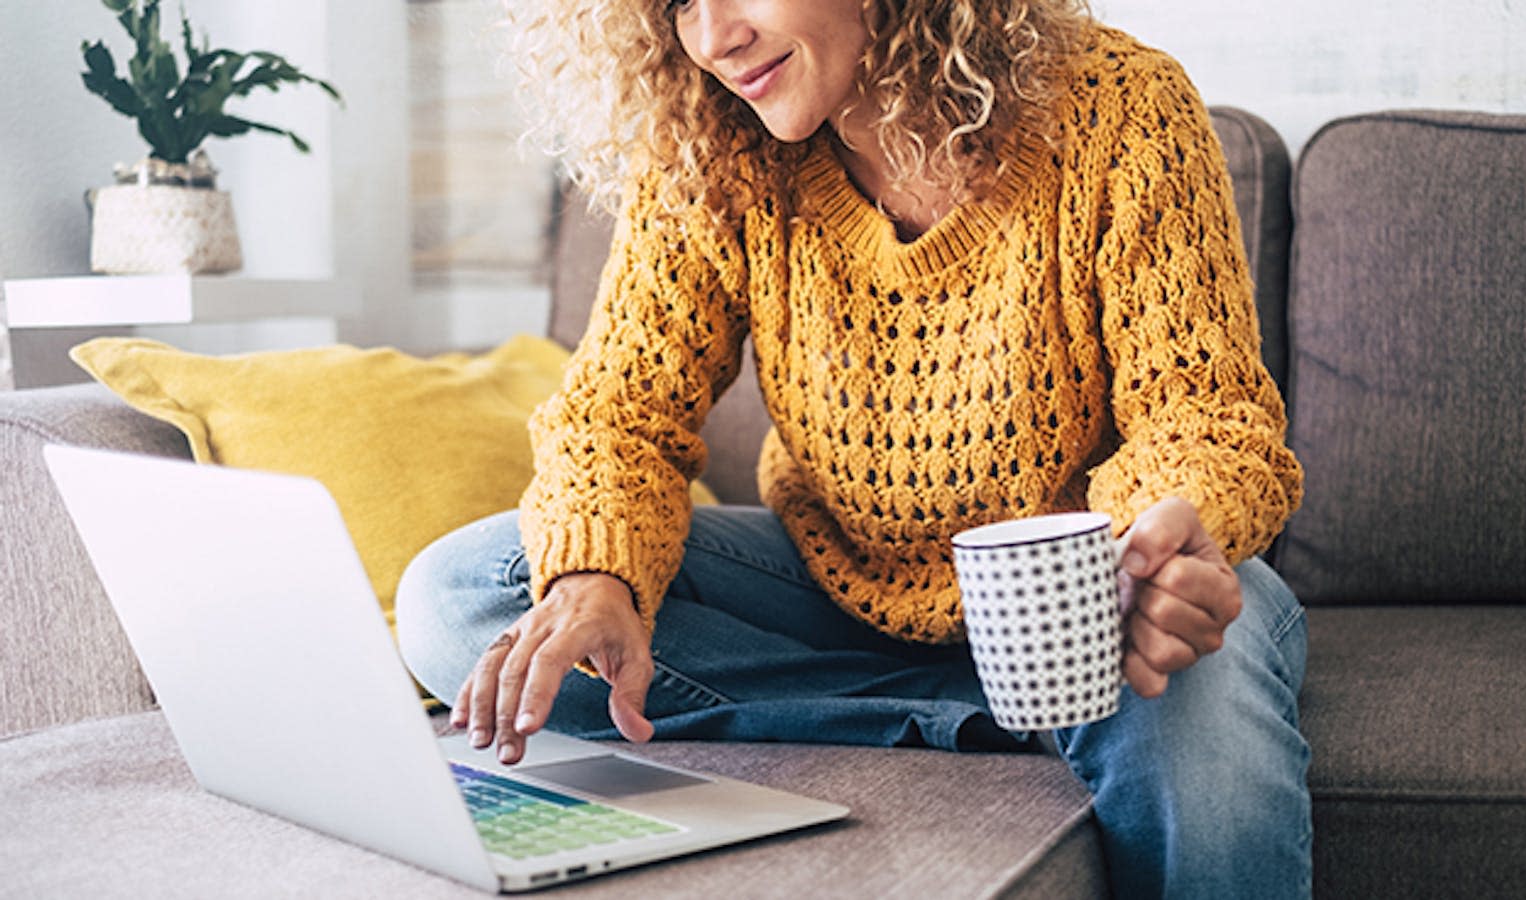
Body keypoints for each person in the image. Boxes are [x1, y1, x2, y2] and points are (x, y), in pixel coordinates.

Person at [396, 0, 1311, 896]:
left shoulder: (1121, 107)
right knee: (463, 594)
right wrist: (595, 578)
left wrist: (1150, 552)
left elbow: (1205, 417)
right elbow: (618, 413)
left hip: (1088, 599)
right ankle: (987, 718)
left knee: (1199, 678)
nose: (714, 37)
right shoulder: (715, 149)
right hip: (840, 588)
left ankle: (1026, 702)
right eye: (677, 2)